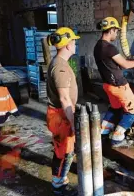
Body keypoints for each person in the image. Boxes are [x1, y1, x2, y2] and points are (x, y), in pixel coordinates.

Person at [93, 16, 134, 148]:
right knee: (131, 113)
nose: (117, 34)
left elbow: (114, 64)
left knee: (115, 108)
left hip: (108, 86)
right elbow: (126, 65)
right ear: (111, 30)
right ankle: (117, 139)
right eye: (116, 31)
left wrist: (133, 59)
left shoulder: (98, 46)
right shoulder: (110, 48)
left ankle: (104, 133)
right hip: (119, 86)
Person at [46, 27, 80, 195]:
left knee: (65, 150)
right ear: (67, 44)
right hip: (61, 115)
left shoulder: (61, 63)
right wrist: (74, 122)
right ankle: (58, 185)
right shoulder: (60, 67)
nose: (75, 44)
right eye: (74, 41)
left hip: (61, 114)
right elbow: (64, 99)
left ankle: (60, 179)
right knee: (64, 152)